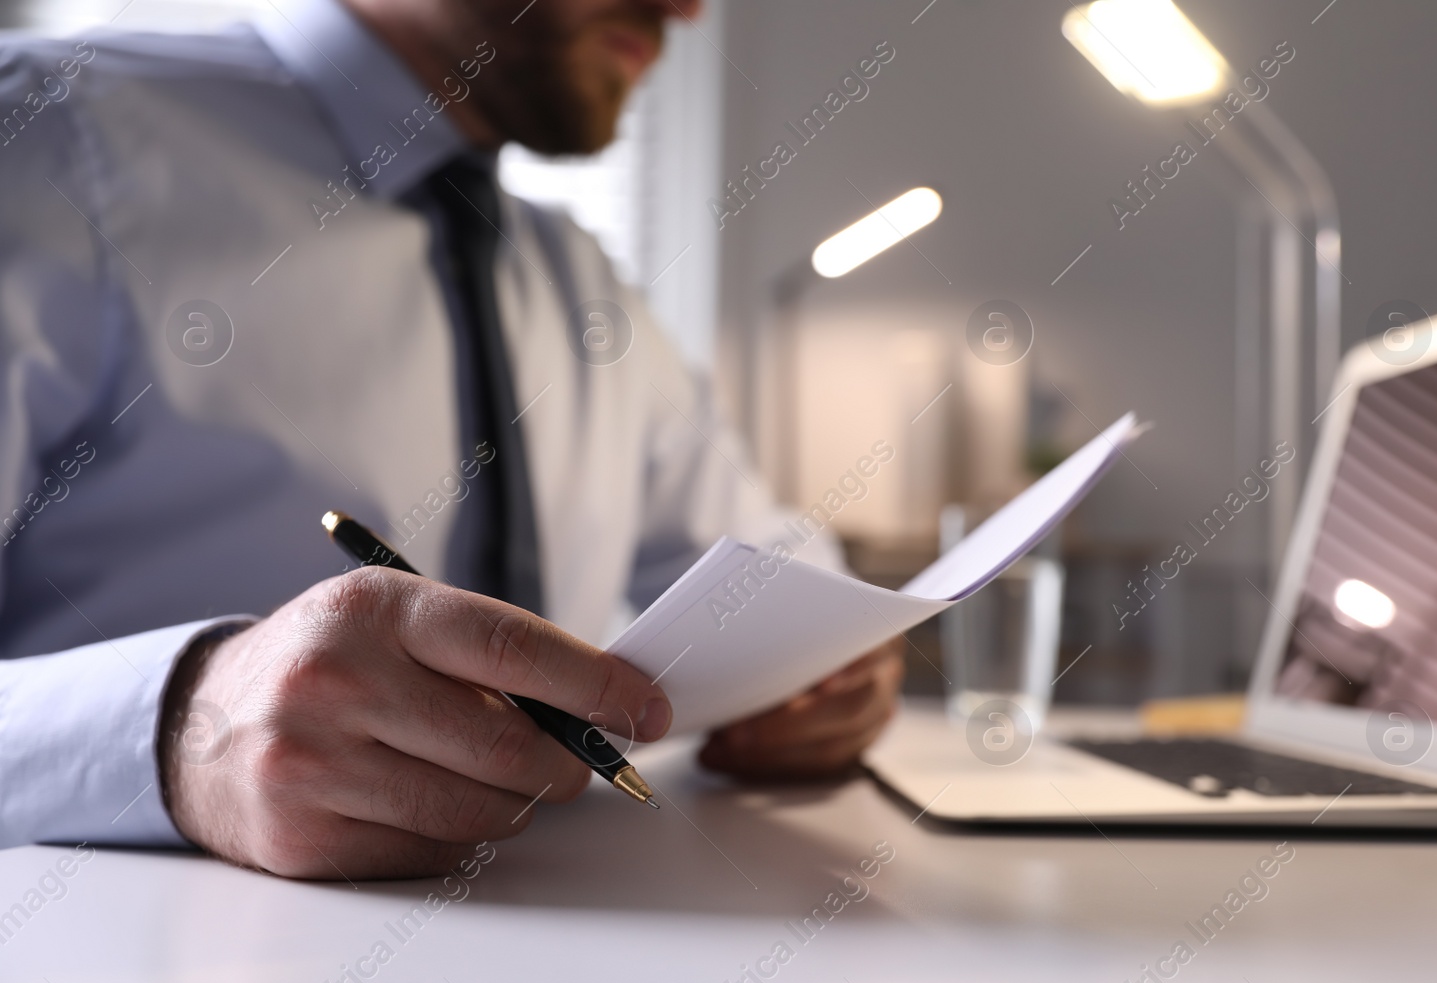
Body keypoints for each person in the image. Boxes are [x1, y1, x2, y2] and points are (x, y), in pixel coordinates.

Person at [0, 0, 903, 879]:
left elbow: (773, 575)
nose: (688, 8)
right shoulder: (40, 135)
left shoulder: (579, 276)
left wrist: (827, 672)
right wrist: (176, 728)